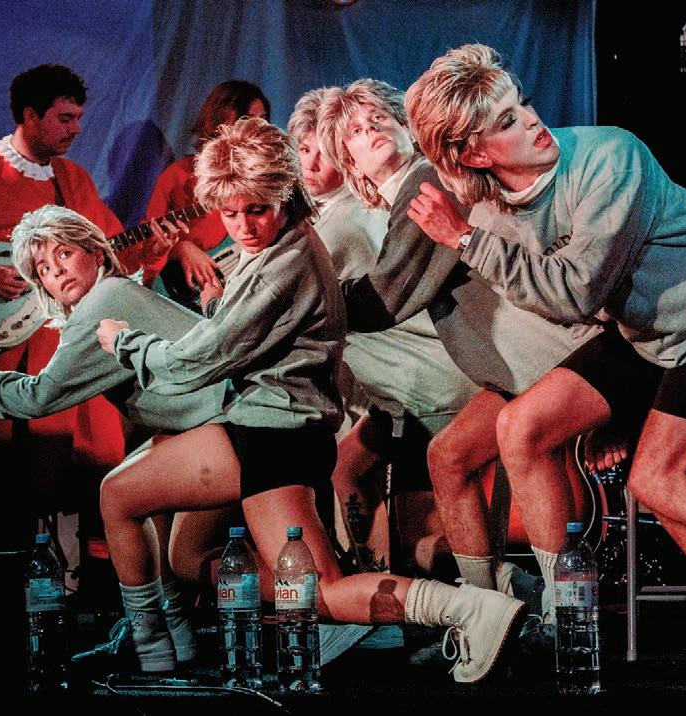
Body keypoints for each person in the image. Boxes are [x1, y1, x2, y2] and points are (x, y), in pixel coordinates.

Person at [403, 43, 686, 686]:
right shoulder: (490, 210)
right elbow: (566, 310)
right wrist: (607, 410)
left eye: (522, 103)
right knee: (523, 428)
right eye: (507, 120)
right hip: (651, 330)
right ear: (475, 154)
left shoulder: (609, 157)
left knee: (660, 483)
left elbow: (574, 291)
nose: (532, 120)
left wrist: (462, 239)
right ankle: (565, 622)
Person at [94, 117, 525, 681]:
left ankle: (153, 649)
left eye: (256, 210)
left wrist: (123, 341)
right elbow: (241, 335)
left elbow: (200, 360)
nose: (243, 226)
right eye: (230, 214)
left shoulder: (284, 261)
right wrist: (215, 308)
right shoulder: (282, 243)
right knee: (211, 556)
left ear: (284, 194)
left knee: (124, 497)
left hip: (271, 433)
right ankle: (467, 608)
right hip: (274, 428)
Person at [316, 79, 603, 602]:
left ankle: (544, 605)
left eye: (380, 117)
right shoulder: (410, 193)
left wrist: (304, 299)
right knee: (447, 458)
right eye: (356, 131)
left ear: (406, 127)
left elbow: (386, 297)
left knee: (472, 457)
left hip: (548, 352)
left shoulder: (427, 182)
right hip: (514, 366)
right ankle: (489, 603)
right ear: (351, 164)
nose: (372, 128)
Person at [0, 204, 207, 669]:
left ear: (95, 251)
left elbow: (39, 397)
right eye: (44, 269)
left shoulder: (104, 301)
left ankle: (150, 646)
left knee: (118, 494)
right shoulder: (108, 296)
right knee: (151, 502)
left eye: (64, 254)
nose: (57, 272)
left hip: (227, 422)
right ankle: (174, 639)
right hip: (203, 423)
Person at [0, 64, 166, 528]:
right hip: (19, 350)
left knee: (99, 464)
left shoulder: (75, 179)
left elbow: (109, 254)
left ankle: (95, 563)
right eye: (65, 118)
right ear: (30, 116)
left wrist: (153, 249)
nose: (76, 129)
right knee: (26, 474)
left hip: (79, 347)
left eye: (78, 118)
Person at [288, 88, 480, 578]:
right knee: (348, 469)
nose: (309, 163)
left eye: (377, 119)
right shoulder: (369, 203)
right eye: (302, 150)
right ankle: (382, 583)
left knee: (427, 528)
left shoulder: (382, 201)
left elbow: (381, 299)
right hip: (400, 386)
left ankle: (483, 591)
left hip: (428, 380)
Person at [142, 80, 270, 307]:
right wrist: (179, 249)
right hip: (184, 299)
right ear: (220, 124)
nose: (258, 131)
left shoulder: (270, 179)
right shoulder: (178, 176)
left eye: (263, 121)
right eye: (249, 120)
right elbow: (148, 254)